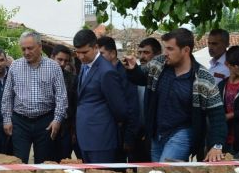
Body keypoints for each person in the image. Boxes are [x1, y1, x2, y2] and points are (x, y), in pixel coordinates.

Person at [123, 28, 227, 162]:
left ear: (186, 50)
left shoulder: (203, 78)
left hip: (181, 134)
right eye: (165, 48)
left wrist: (217, 145)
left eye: (170, 49)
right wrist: (132, 69)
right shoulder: (159, 63)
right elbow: (140, 78)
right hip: (156, 134)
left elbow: (217, 115)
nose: (165, 53)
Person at [2, 31, 68, 164]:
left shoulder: (54, 67)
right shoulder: (15, 66)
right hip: (20, 122)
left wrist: (57, 119)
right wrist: (7, 119)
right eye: (23, 49)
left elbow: (61, 96)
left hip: (45, 122)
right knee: (19, 162)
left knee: (42, 163)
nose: (26, 52)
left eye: (30, 48)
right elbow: (7, 95)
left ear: (40, 47)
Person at [71, 31, 130, 163]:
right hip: (85, 137)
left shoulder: (106, 71)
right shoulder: (85, 65)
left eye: (84, 52)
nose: (80, 56)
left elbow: (120, 109)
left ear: (95, 47)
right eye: (77, 52)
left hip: (101, 139)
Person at [96, 36, 141, 162]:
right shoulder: (99, 72)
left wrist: (128, 137)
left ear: (113, 53)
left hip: (121, 134)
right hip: (104, 132)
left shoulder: (125, 74)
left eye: (102, 54)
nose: (98, 58)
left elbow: (132, 106)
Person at [216, 46, 239, 157]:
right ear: (227, 64)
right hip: (224, 139)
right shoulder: (221, 85)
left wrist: (232, 115)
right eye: (236, 65)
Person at [133, 37, 162, 162]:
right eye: (140, 53)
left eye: (146, 52)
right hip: (136, 135)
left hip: (155, 135)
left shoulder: (162, 78)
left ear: (157, 55)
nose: (142, 56)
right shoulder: (134, 75)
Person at [50, 44, 78, 161]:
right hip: (46, 126)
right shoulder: (42, 76)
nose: (62, 64)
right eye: (59, 59)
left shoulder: (72, 79)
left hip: (66, 129)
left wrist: (73, 131)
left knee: (64, 162)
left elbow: (75, 105)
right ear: (52, 58)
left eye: (65, 61)